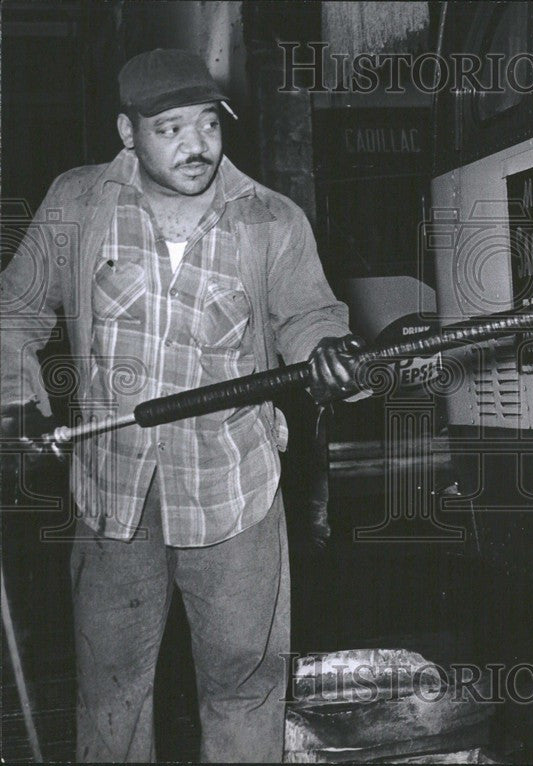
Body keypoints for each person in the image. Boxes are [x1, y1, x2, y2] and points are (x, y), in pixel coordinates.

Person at [0, 48, 363, 762]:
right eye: (170, 129)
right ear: (127, 133)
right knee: (111, 699)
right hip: (114, 497)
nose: (197, 145)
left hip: (234, 494)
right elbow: (15, 313)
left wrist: (332, 356)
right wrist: (17, 405)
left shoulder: (270, 219)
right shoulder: (78, 204)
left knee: (245, 692)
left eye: (208, 123)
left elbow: (307, 318)